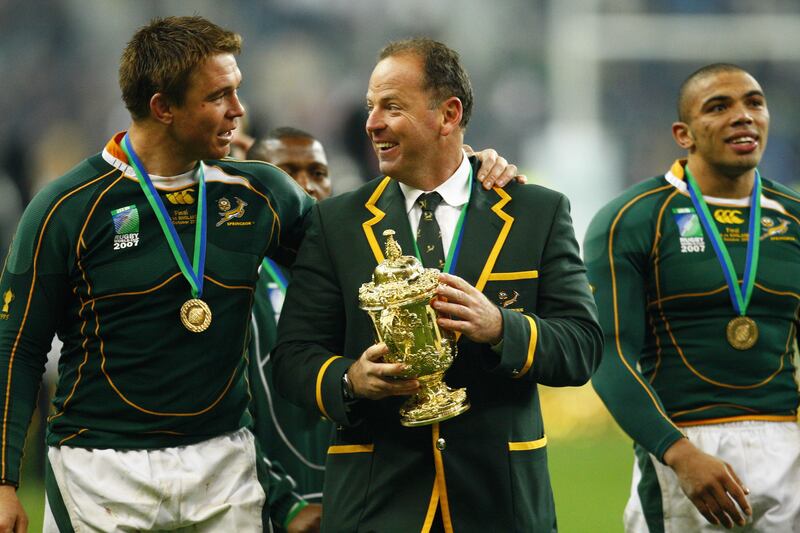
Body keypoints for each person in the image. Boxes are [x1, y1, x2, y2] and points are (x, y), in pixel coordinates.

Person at [0, 16, 320, 532]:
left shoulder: (260, 194)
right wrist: (3, 483)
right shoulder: (66, 207)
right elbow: (15, 349)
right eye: (219, 96)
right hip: (99, 471)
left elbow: (353, 250)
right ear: (162, 107)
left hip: (224, 465)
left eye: (237, 91)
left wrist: (458, 168)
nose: (239, 110)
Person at [272, 37, 603, 532]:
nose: (371, 123)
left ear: (448, 115)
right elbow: (293, 358)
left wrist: (499, 328)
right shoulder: (334, 223)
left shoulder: (537, 211)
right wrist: (350, 379)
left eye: (392, 106)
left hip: (501, 507)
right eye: (370, 107)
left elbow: (582, 346)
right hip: (377, 506)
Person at [584, 63, 800, 532]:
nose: (743, 116)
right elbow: (609, 352)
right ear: (684, 134)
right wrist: (679, 454)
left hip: (790, 444)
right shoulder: (631, 219)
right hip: (683, 446)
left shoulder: (794, 218)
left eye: (754, 103)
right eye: (719, 107)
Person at [246, 127, 334, 516]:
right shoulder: (232, 280)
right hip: (265, 507)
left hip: (350, 503)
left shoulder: (355, 273)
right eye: (287, 173)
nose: (306, 187)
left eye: (317, 172)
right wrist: (284, 505)